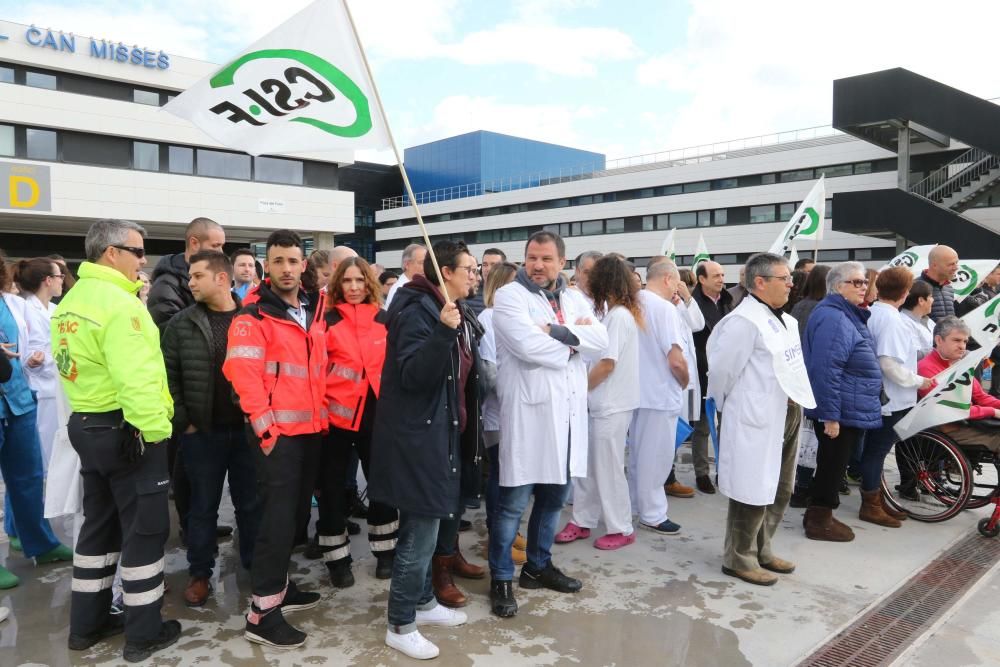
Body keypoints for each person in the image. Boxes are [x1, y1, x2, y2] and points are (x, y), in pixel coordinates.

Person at [52, 220, 180, 661]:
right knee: (145, 531)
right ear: (111, 253)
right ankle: (144, 632)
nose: (143, 260)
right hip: (129, 431)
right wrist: (159, 433)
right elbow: (137, 378)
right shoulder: (119, 306)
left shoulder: (72, 301)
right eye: (137, 251)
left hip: (87, 427)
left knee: (99, 528)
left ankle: (85, 626)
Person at [369, 240, 480, 660]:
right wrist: (443, 331)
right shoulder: (419, 312)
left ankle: (423, 603)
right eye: (468, 268)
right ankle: (400, 622)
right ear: (445, 272)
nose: (474, 275)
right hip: (417, 439)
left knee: (431, 523)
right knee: (419, 531)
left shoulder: (445, 309)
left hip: (438, 434)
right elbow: (415, 375)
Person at [489, 231, 608, 619]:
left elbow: (602, 340)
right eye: (531, 258)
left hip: (569, 416)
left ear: (562, 261)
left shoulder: (574, 297)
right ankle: (502, 577)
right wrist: (576, 345)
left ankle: (537, 566)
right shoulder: (509, 297)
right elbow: (528, 347)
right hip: (530, 415)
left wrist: (557, 334)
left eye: (545, 259)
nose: (537, 266)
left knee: (554, 499)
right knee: (512, 507)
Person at [223, 229, 328, 649]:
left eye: (293, 261)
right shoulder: (253, 315)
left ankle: (282, 589)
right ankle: (262, 614)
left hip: (310, 432)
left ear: (304, 265)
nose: (287, 269)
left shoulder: (311, 308)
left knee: (295, 520)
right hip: (278, 437)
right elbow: (243, 378)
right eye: (279, 261)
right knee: (275, 523)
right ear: (268, 265)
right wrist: (267, 432)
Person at [708, 253, 815, 586]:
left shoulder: (786, 319)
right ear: (760, 282)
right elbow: (722, 371)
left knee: (780, 487)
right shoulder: (744, 321)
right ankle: (738, 557)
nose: (791, 284)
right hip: (755, 414)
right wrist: (733, 409)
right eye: (784, 278)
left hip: (786, 410)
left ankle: (763, 548)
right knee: (751, 487)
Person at [161, 250, 260, 607]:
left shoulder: (253, 318)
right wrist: (184, 420)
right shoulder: (182, 323)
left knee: (251, 505)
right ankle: (200, 574)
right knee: (202, 508)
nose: (190, 283)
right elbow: (167, 376)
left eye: (197, 276)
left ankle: (254, 566)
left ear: (221, 278)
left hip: (247, 432)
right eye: (189, 277)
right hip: (201, 433)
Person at [316, 256, 399, 588]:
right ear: (338, 283)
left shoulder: (384, 319)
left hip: (376, 413)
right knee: (333, 489)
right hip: (335, 415)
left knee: (382, 484)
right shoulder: (327, 319)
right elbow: (317, 369)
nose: (353, 287)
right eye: (347, 281)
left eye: (359, 281)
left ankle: (387, 552)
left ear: (369, 283)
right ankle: (337, 561)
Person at [557, 256, 641, 550]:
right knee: (588, 466)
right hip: (602, 403)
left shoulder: (618, 316)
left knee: (607, 467)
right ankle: (583, 519)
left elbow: (606, 364)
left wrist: (579, 392)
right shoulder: (614, 313)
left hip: (610, 404)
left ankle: (621, 526)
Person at [0, 253, 72, 591]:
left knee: (29, 476)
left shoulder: (13, 303)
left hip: (18, 398)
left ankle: (40, 544)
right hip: (19, 397)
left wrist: (32, 358)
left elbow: (30, 348)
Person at [802, 262, 883, 542]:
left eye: (864, 282)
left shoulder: (845, 314)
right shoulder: (834, 318)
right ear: (838, 286)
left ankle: (820, 514)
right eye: (857, 282)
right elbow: (825, 369)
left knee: (834, 463)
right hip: (840, 408)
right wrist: (830, 415)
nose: (864, 287)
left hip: (847, 404)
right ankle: (819, 520)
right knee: (832, 464)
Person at [858, 268, 932, 528]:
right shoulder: (890, 319)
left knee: (874, 451)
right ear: (905, 292)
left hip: (884, 395)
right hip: (892, 397)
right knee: (876, 452)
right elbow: (888, 363)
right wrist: (919, 380)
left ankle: (877, 499)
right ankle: (871, 504)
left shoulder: (876, 312)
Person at [628, 258, 689, 534]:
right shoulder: (664, 309)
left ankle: (633, 505)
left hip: (634, 391)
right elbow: (676, 360)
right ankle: (652, 513)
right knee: (657, 457)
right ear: (667, 279)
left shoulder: (631, 302)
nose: (677, 289)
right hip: (660, 393)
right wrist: (685, 382)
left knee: (637, 455)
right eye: (676, 283)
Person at [476, 262, 526, 565]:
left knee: (513, 478)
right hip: (500, 413)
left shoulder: (514, 316)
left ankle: (510, 532)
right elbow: (488, 371)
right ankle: (498, 538)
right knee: (500, 476)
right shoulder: (489, 317)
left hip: (517, 412)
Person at [916, 317, 1000, 451]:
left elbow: (981, 397)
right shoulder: (926, 368)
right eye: (956, 340)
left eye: (965, 341)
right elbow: (951, 409)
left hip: (967, 422)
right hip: (947, 428)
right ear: (939, 340)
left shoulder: (959, 364)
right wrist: (993, 411)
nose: (962, 346)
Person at [689, 260, 734, 495]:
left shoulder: (729, 301)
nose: (721, 279)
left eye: (723, 274)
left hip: (726, 373)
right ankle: (701, 473)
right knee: (703, 427)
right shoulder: (692, 304)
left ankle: (724, 471)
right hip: (702, 373)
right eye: (716, 275)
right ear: (702, 279)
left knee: (727, 425)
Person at [788, 264, 831, 507]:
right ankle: (802, 486)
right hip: (811, 378)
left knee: (801, 437)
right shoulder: (821, 310)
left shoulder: (799, 306)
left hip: (797, 375)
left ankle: (797, 483)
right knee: (811, 439)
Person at [664, 265, 706, 496]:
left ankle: (668, 477)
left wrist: (687, 298)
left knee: (678, 430)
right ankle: (665, 478)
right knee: (666, 433)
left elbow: (697, 324)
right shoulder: (659, 307)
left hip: (685, 380)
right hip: (670, 380)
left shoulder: (679, 304)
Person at [147, 217, 226, 331]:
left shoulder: (215, 278)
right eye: (215, 246)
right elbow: (171, 334)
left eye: (222, 246)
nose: (221, 252)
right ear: (194, 243)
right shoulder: (166, 286)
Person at [915, 245, 959, 320]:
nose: (956, 267)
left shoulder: (949, 288)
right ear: (934, 265)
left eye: (956, 262)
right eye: (951, 264)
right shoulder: (914, 287)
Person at [465, 248, 507, 315]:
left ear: (504, 269)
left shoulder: (512, 294)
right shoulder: (469, 292)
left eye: (493, 265)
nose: (488, 269)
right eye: (485, 265)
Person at [900, 280, 935, 360]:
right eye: (930, 296)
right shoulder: (904, 322)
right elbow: (915, 355)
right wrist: (940, 349)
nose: (933, 300)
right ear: (921, 301)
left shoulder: (928, 321)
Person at [384, 244, 426, 308]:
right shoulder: (399, 290)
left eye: (426, 263)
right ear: (407, 265)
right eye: (421, 263)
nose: (425, 267)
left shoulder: (420, 286)